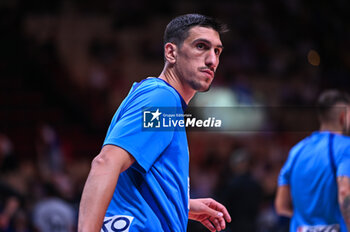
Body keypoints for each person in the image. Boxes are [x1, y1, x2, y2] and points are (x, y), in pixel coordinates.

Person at [78, 14, 231, 232]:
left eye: (217, 51)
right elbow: (105, 163)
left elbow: (131, 179)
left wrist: (181, 205)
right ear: (171, 52)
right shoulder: (162, 98)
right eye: (201, 46)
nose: (212, 60)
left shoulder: (161, 100)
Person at [275, 90, 350, 232]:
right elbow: (345, 191)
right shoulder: (346, 147)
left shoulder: (296, 151)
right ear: (342, 117)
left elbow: (281, 206)